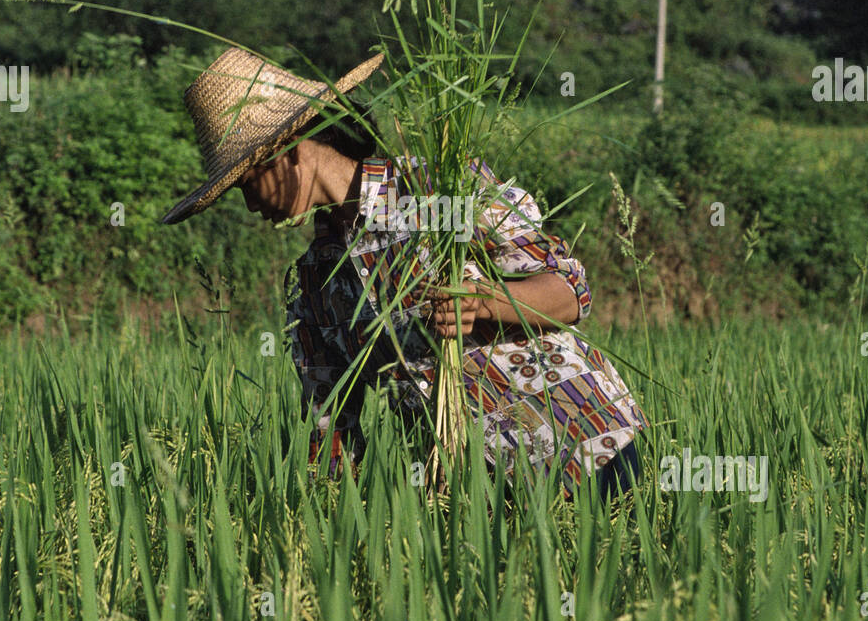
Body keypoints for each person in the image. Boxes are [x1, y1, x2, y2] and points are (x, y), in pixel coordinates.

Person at [163, 46, 649, 500]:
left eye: (247, 182)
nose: (249, 205)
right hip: (476, 491)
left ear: (287, 149)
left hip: (584, 445)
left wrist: (484, 302)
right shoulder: (316, 282)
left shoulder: (436, 190)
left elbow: (571, 292)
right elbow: (330, 422)